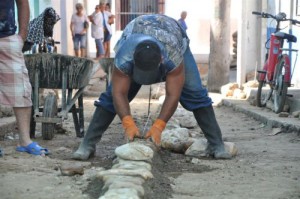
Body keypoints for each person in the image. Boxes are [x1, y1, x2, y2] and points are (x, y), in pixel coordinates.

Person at [72, 14, 232, 160]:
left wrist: (158, 126)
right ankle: (87, 145)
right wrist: (128, 123)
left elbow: (172, 95)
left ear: (161, 61)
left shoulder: (173, 55)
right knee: (109, 98)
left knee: (195, 93)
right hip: (137, 30)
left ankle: (216, 143)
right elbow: (119, 93)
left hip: (172, 33)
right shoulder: (124, 56)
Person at [0, 0, 49, 156]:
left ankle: (24, 141)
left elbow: (22, 2)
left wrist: (22, 35)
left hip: (7, 38)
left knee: (21, 88)